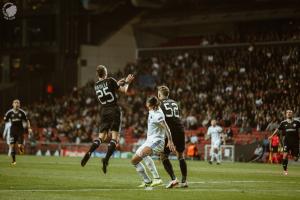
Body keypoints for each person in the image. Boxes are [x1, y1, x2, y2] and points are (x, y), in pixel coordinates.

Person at [81, 65, 134, 173]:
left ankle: (90, 152)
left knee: (101, 137)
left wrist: (118, 83)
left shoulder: (96, 85)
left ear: (97, 74)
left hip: (104, 111)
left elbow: (110, 87)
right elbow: (123, 90)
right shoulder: (110, 80)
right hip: (114, 110)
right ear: (105, 72)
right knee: (115, 138)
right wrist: (127, 82)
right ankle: (106, 159)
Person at [131, 96, 176, 188]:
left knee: (143, 153)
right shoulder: (152, 110)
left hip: (158, 140)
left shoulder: (158, 114)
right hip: (149, 140)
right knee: (134, 160)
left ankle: (157, 178)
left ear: (151, 104)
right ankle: (147, 180)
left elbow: (166, 127)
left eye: (147, 103)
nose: (146, 104)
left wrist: (170, 141)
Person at [157, 85, 188, 188]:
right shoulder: (174, 102)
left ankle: (174, 179)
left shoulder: (159, 104)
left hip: (169, 131)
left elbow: (161, 120)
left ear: (160, 94)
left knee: (163, 155)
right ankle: (184, 181)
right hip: (180, 129)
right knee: (180, 156)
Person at [268, 110, 300, 175]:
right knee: (285, 155)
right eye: (287, 113)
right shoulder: (283, 122)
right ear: (286, 114)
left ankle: (293, 153)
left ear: (292, 114)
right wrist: (271, 136)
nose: (289, 114)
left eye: (290, 113)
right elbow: (277, 129)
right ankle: (285, 171)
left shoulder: (297, 122)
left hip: (295, 142)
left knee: (295, 159)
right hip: (287, 142)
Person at [3, 99, 32, 165]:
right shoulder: (9, 113)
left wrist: (29, 128)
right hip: (12, 131)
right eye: (15, 103)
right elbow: (5, 120)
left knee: (19, 145)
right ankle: (14, 161)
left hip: (20, 131)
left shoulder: (22, 112)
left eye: (18, 103)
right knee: (12, 146)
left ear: (19, 105)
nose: (16, 104)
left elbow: (27, 120)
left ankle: (21, 147)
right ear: (13, 104)